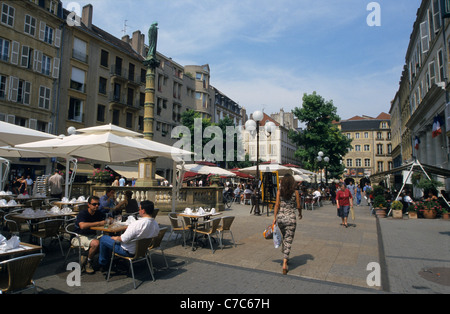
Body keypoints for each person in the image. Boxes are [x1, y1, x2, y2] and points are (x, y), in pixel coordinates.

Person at [98, 200, 159, 270]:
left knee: (103, 238)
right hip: (142, 250)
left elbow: (123, 239)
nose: (138, 211)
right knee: (110, 239)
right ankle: (107, 260)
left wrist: (116, 238)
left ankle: (103, 263)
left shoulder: (136, 224)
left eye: (139, 209)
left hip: (128, 251)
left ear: (143, 211)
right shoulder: (155, 224)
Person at [273, 174, 302, 275]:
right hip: (290, 218)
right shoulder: (295, 192)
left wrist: (274, 218)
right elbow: (298, 205)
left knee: (285, 237)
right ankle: (285, 262)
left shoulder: (279, 191)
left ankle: (285, 252)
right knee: (288, 239)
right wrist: (300, 213)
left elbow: (277, 204)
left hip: (281, 218)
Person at [73, 196, 106, 274]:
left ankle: (86, 256)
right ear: (89, 205)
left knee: (107, 241)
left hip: (92, 236)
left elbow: (106, 219)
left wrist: (110, 220)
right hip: (79, 236)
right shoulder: (83, 213)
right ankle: (89, 262)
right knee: (96, 243)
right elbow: (82, 226)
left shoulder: (98, 213)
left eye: (98, 204)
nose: (97, 206)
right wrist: (99, 223)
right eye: (94, 204)